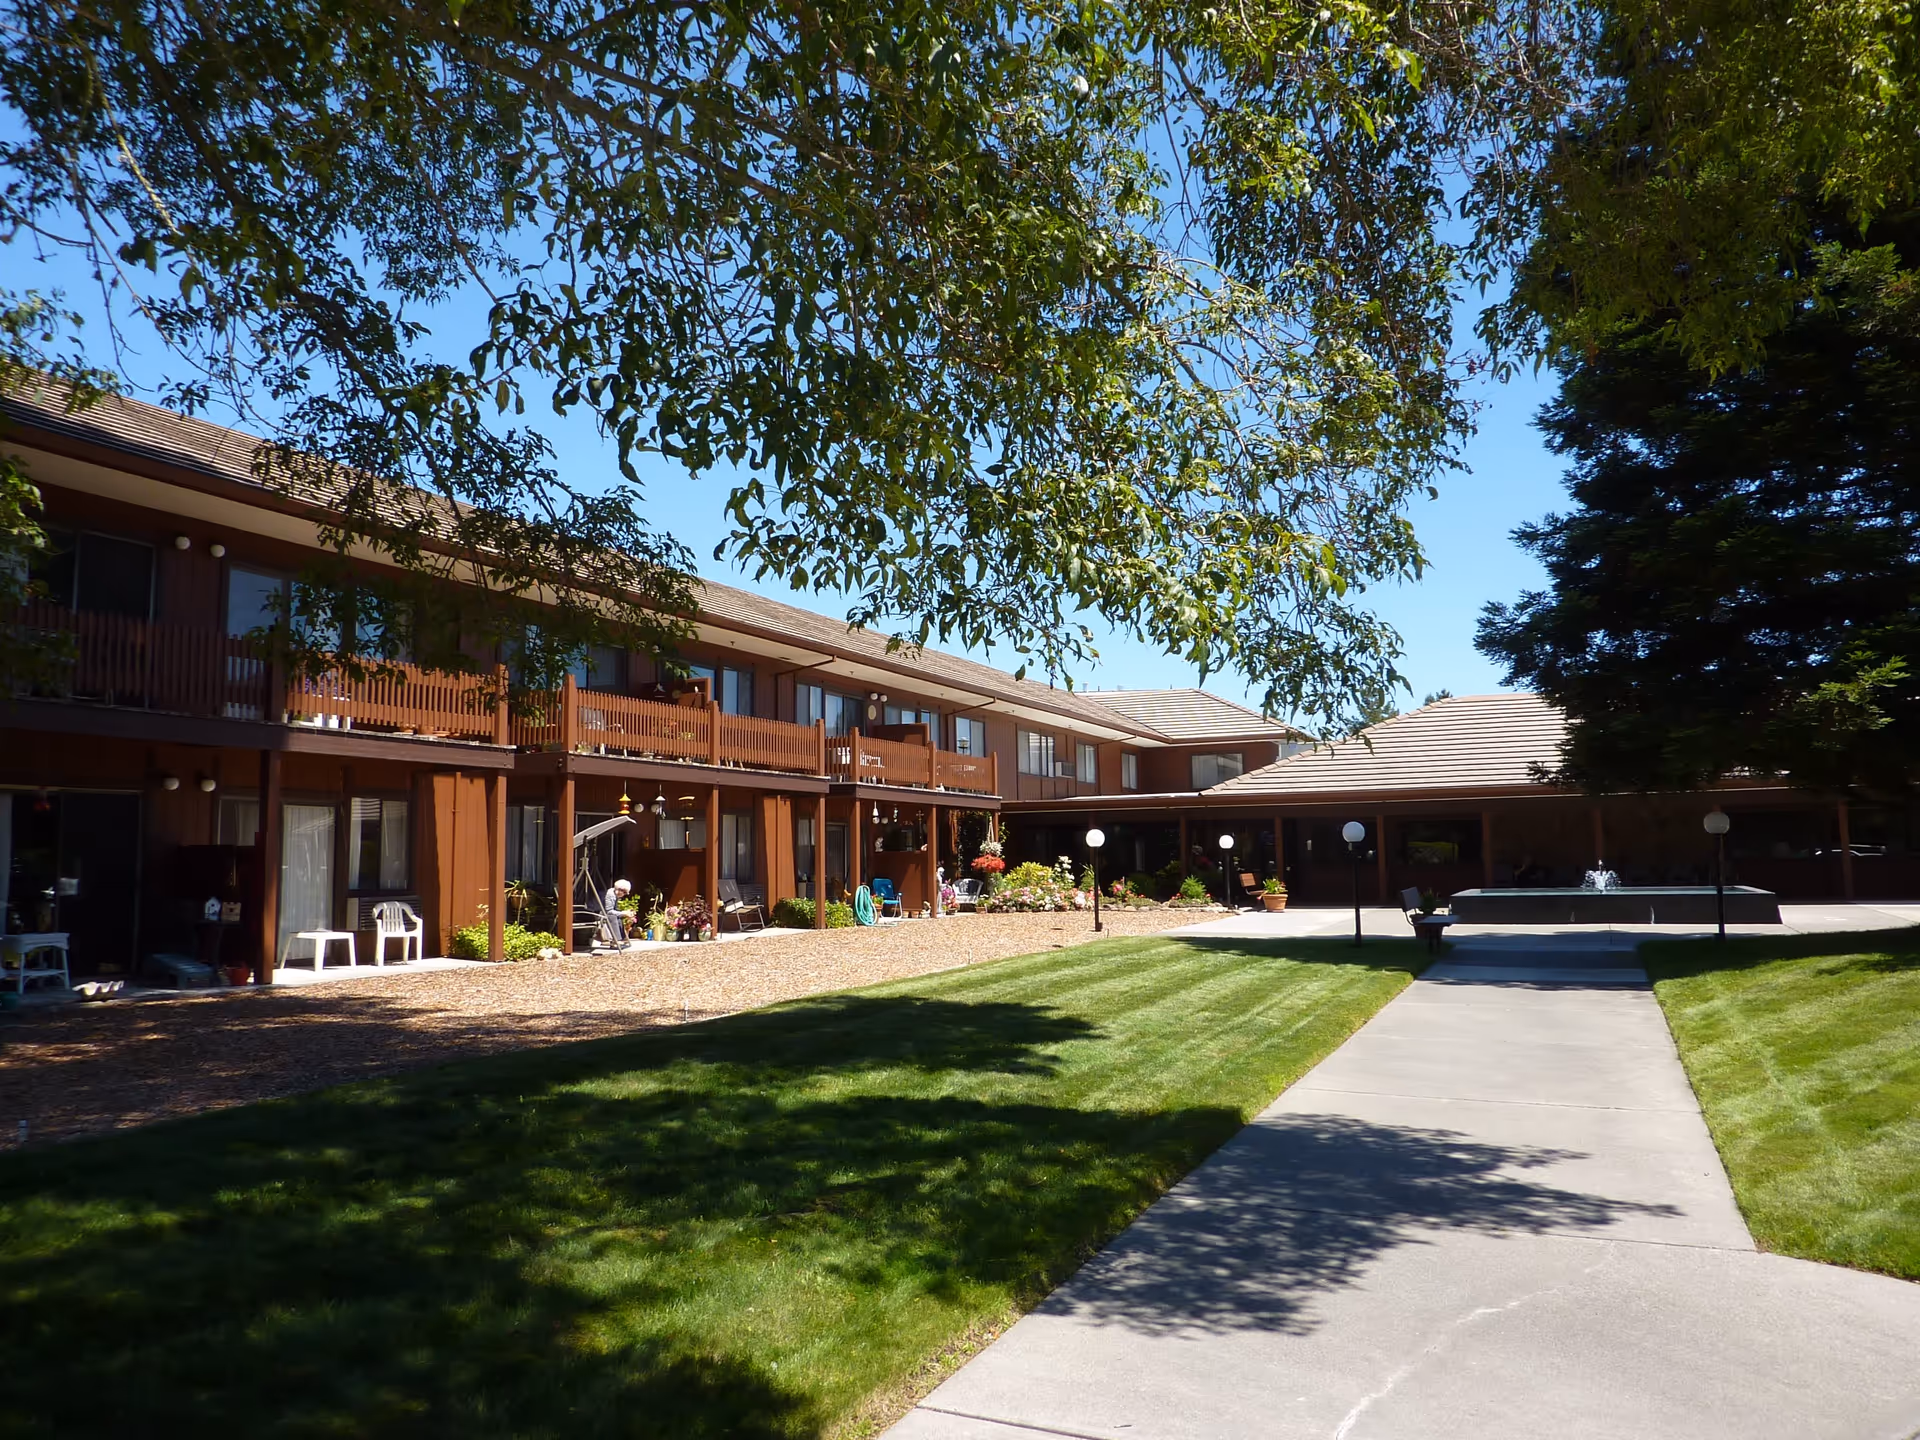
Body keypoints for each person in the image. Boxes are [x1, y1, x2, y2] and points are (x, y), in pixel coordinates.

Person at [602, 878, 632, 946]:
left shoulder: (615, 895)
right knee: (613, 916)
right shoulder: (610, 894)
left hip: (606, 913)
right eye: (624, 892)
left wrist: (624, 913)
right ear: (619, 890)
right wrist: (623, 913)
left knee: (619, 915)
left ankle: (622, 938)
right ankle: (616, 940)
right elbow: (609, 911)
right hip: (600, 913)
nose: (624, 895)